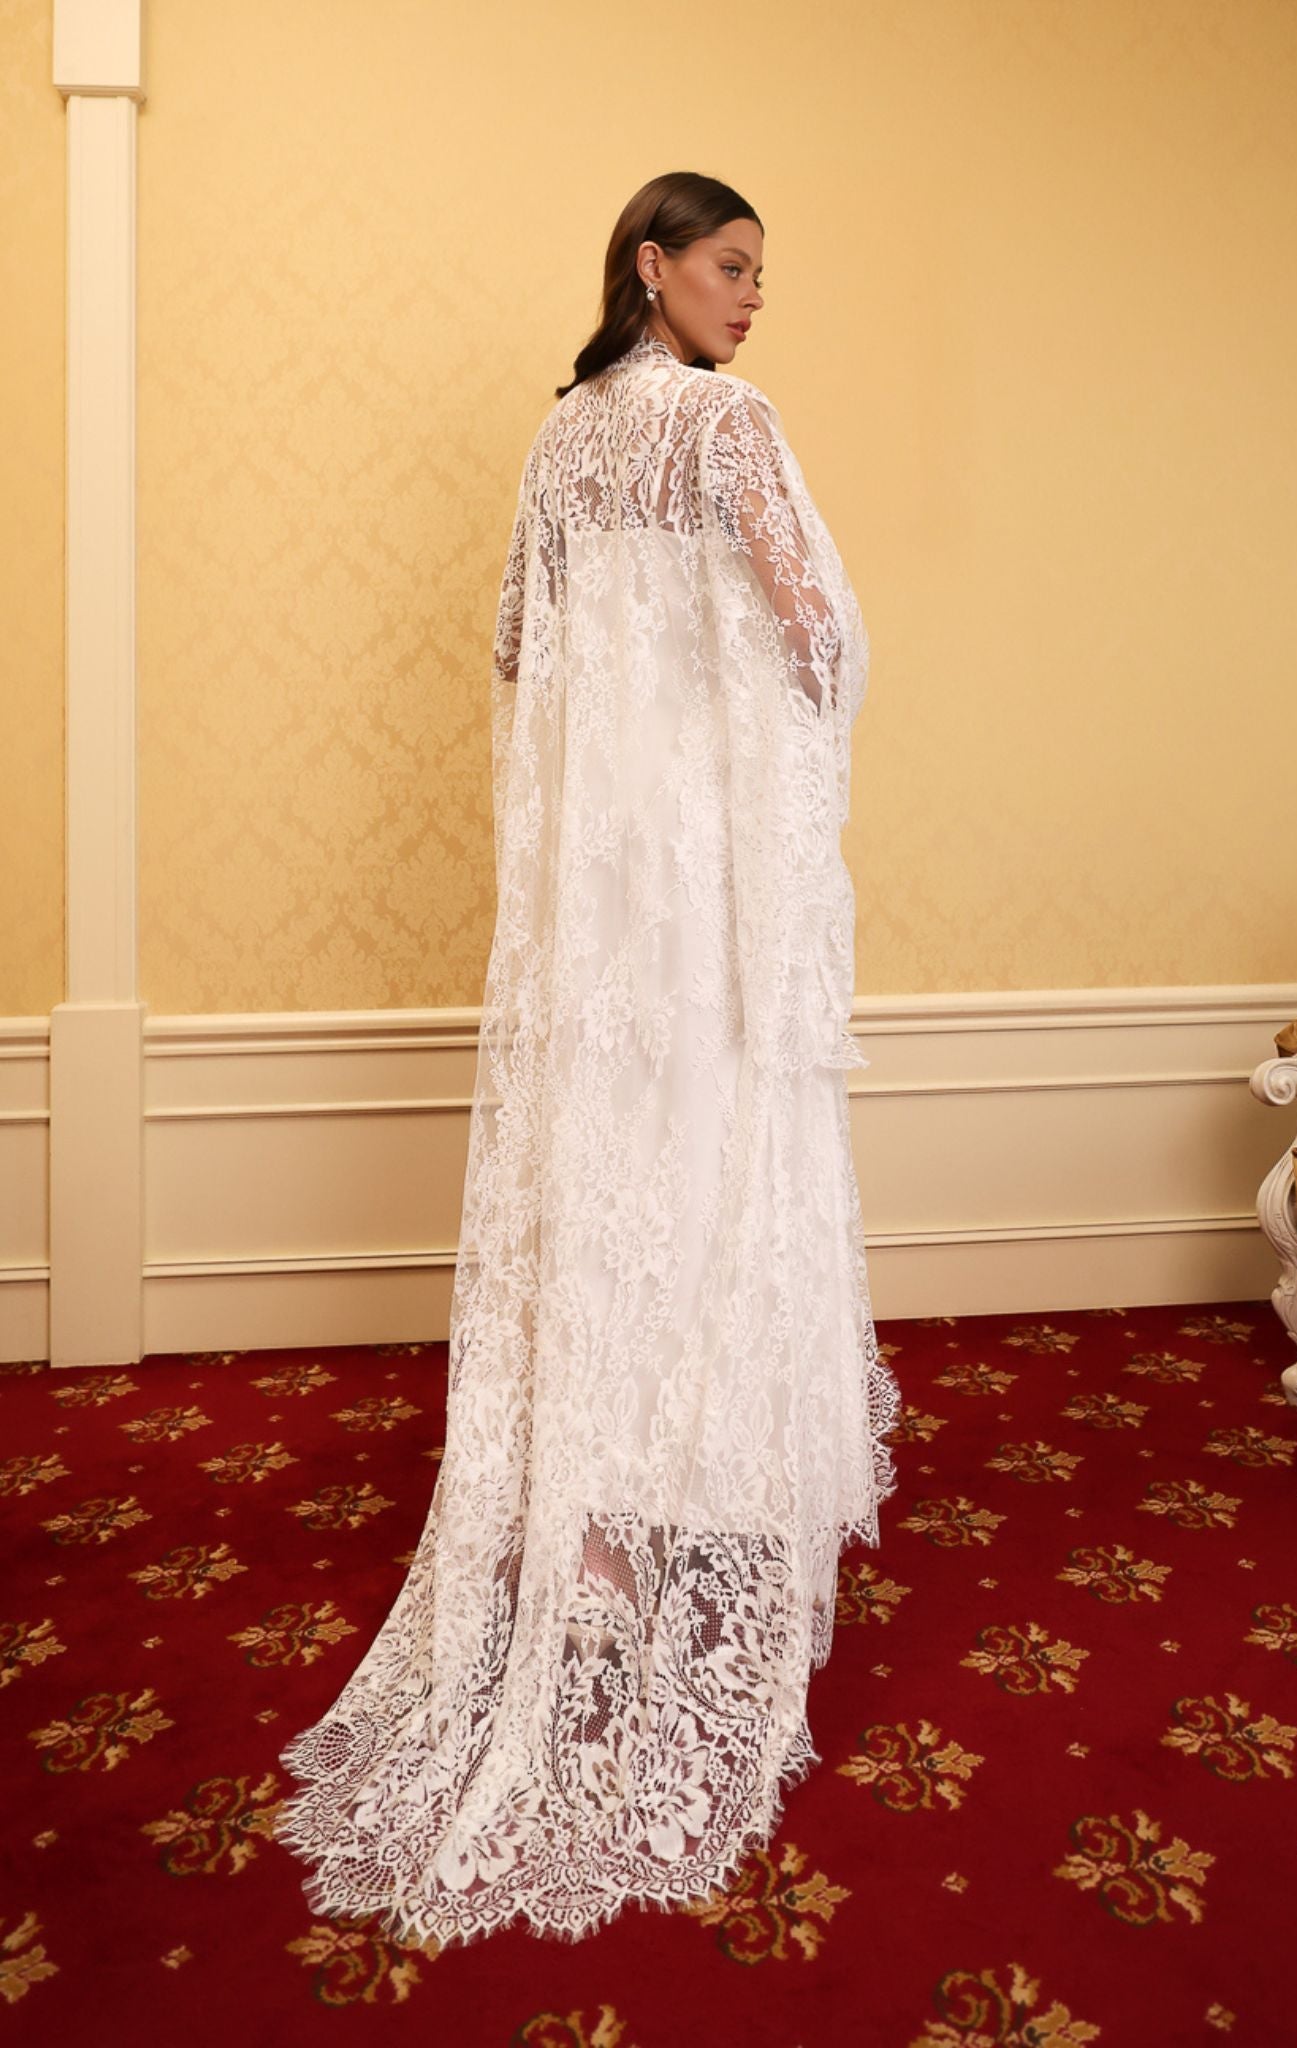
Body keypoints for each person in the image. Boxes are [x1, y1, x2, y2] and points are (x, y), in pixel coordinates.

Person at [274, 169, 900, 1950]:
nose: (754, 298)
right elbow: (826, 635)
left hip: (596, 900)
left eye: (762, 275)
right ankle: (701, 1498)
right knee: (702, 1177)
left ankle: (605, 1540)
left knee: (604, 1189)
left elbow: (509, 652)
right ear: (655, 269)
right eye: (731, 267)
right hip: (698, 896)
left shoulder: (565, 446)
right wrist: (752, 776)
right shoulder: (725, 427)